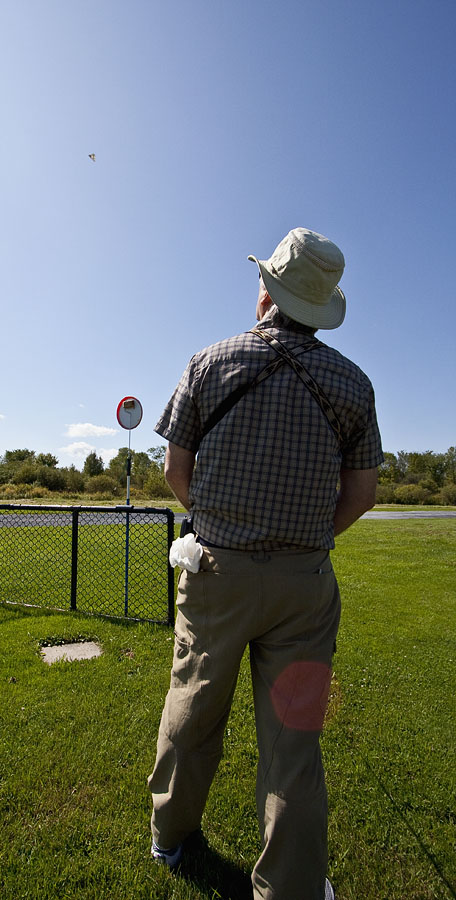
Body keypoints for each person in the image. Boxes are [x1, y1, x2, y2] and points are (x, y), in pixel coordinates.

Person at [147, 227, 383, 900]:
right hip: (304, 586)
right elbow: (362, 495)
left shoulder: (208, 362)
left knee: (193, 711)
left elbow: (175, 470)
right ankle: (293, 885)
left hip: (216, 575)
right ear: (318, 306)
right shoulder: (354, 384)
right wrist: (306, 534)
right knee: (294, 739)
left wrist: (224, 525)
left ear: (267, 294)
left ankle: (170, 836)